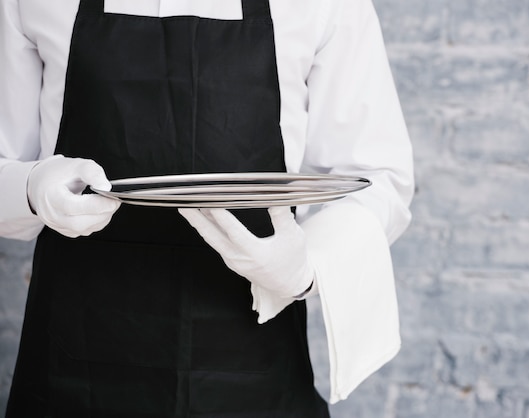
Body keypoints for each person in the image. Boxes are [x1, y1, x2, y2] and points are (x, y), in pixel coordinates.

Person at [0, 0, 414, 416]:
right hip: (71, 374)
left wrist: (307, 267)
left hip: (252, 372)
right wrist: (32, 188)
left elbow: (377, 175)